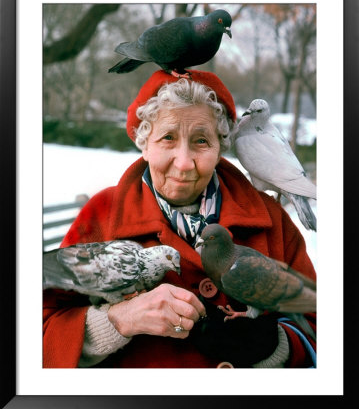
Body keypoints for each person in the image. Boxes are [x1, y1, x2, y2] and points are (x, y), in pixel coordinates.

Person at [43, 69, 316, 368]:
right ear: (144, 144)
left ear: (220, 148)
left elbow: (324, 331)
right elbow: (35, 336)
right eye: (168, 138)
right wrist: (115, 321)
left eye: (201, 141)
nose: (184, 164)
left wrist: (274, 347)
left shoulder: (270, 219)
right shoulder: (102, 215)